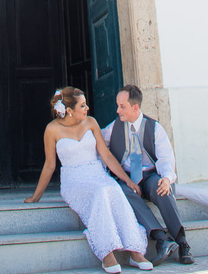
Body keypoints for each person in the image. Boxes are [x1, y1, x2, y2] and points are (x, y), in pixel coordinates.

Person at [24, 86, 154, 274]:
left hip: (97, 174)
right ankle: (107, 253)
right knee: (101, 193)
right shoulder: (52, 130)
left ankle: (135, 251)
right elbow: (49, 165)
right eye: (83, 105)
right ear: (69, 110)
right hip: (74, 180)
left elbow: (107, 156)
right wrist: (36, 197)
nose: (87, 109)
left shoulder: (91, 123)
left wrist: (128, 180)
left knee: (113, 189)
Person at [101, 84, 195, 266]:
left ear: (135, 107)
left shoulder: (154, 128)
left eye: (122, 106)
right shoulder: (113, 128)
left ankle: (182, 242)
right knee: (121, 191)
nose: (117, 110)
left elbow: (166, 159)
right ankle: (162, 239)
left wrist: (167, 179)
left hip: (150, 176)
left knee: (161, 187)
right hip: (128, 178)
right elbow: (97, 143)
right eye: (118, 105)